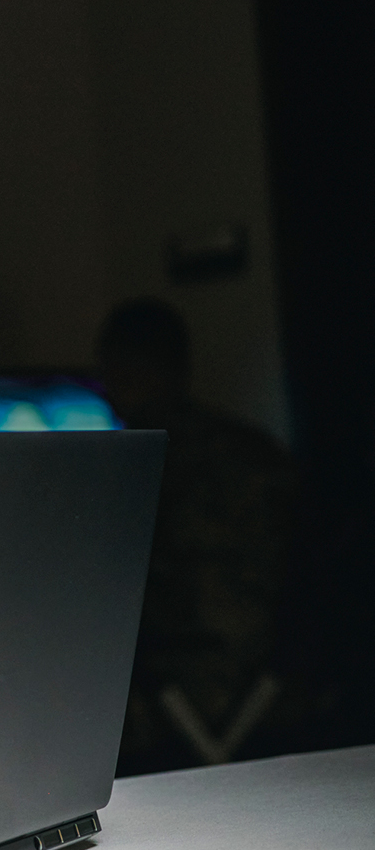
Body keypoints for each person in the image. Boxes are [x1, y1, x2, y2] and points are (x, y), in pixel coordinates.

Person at [96, 298, 294, 773]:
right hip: (274, 686)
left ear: (119, 371)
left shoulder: (126, 466)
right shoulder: (258, 449)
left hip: (169, 696)